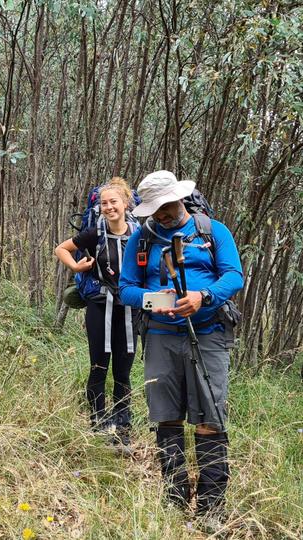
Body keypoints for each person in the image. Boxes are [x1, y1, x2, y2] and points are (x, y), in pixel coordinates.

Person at [118, 170, 244, 518]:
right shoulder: (140, 240)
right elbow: (126, 288)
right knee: (167, 417)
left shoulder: (212, 231)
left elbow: (234, 275)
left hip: (209, 334)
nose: (162, 215)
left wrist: (203, 296)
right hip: (160, 336)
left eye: (167, 207)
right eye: (155, 210)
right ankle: (174, 501)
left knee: (211, 416)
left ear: (180, 199)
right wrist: (156, 300)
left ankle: (210, 509)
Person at [53, 177, 139, 449]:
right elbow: (62, 249)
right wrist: (77, 268)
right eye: (104, 203)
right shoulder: (95, 232)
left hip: (129, 309)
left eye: (114, 201)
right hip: (100, 306)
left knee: (123, 371)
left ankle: (122, 425)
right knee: (99, 366)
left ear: (126, 204)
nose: (109, 207)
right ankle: (98, 423)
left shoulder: (139, 233)